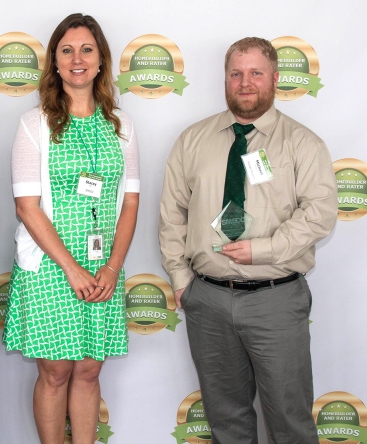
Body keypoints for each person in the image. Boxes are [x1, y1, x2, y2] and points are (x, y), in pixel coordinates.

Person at [159, 37, 337, 444]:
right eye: (236, 73)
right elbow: (172, 214)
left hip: (275, 300)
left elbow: (319, 213)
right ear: (225, 79)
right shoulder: (193, 139)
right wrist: (181, 281)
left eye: (256, 73)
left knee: (289, 422)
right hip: (208, 301)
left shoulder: (303, 144)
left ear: (274, 79)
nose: (245, 83)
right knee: (227, 423)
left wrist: (264, 249)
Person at [2, 13, 139, 444]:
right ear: (55, 62)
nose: (77, 59)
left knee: (89, 368)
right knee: (58, 370)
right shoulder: (34, 123)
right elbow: (27, 207)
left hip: (103, 269)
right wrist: (72, 269)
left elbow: (130, 202)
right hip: (50, 267)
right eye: (67, 50)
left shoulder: (122, 125)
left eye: (86, 49)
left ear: (101, 61)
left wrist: (112, 269)